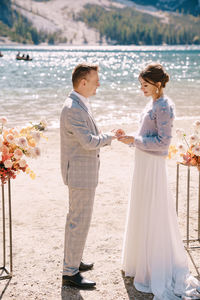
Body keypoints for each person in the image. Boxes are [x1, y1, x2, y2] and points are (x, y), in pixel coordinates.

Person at [118, 63, 200, 299]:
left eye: (145, 85)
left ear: (157, 84)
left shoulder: (164, 106)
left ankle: (154, 265)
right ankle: (139, 262)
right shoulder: (153, 103)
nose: (141, 89)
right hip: (143, 163)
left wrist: (135, 139)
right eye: (140, 85)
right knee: (142, 209)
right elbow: (148, 135)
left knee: (153, 211)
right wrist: (131, 139)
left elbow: (163, 143)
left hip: (153, 166)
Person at [60, 63, 118, 289]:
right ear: (83, 83)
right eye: (96, 81)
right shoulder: (73, 108)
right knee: (78, 221)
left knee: (77, 219)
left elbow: (88, 136)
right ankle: (70, 272)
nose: (99, 84)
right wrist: (110, 136)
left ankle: (73, 261)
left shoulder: (79, 103)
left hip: (81, 172)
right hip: (79, 174)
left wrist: (107, 135)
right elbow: (88, 142)